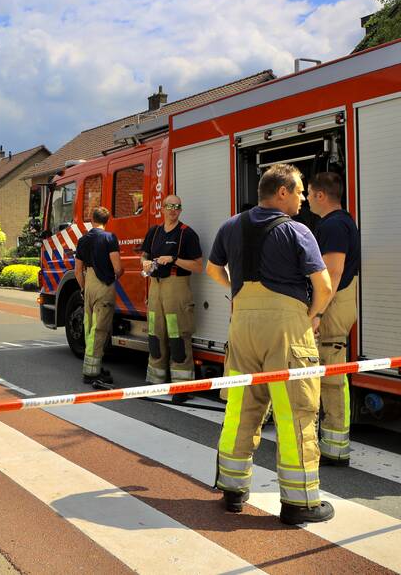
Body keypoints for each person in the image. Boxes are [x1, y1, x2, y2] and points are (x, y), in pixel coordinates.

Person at [206, 163, 334, 525]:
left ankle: (232, 490)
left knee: (241, 408)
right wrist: (310, 315)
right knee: (295, 412)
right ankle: (299, 502)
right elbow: (324, 287)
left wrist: (239, 294)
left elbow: (213, 270)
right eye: (300, 191)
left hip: (242, 327)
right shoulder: (297, 230)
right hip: (285, 329)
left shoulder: (231, 226)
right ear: (282, 192)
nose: (303, 199)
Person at [308, 172, 361, 467]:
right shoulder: (341, 222)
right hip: (338, 302)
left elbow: (333, 272)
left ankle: (335, 448)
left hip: (333, 305)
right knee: (331, 375)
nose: (306, 199)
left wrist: (317, 311)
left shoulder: (333, 225)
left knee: (331, 377)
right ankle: (332, 443)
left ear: (320, 195)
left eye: (309, 194)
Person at [140, 195, 203, 402]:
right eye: (169, 206)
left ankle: (182, 387)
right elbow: (144, 255)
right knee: (154, 333)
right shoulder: (154, 232)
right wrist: (144, 263)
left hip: (177, 287)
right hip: (155, 286)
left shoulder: (187, 234)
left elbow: (198, 266)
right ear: (163, 209)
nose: (173, 210)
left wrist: (174, 259)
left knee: (177, 336)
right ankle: (155, 381)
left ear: (180, 210)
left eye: (177, 207)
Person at [75, 206, 123, 388]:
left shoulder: (82, 240)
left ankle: (92, 367)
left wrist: (83, 288)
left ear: (91, 219)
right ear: (107, 220)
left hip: (89, 285)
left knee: (89, 327)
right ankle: (92, 373)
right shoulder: (109, 238)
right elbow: (117, 268)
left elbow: (77, 271)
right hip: (104, 286)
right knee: (100, 329)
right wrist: (119, 274)